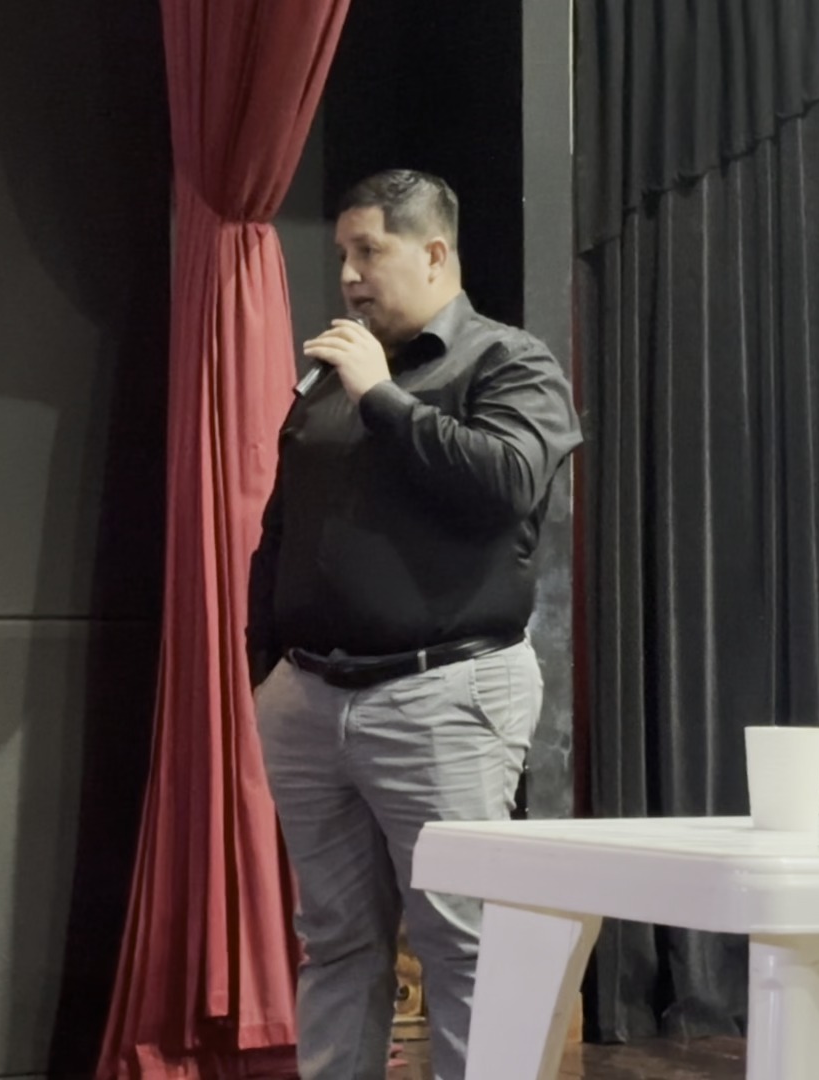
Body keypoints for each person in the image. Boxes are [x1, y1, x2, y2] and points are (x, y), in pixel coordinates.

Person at [246, 169, 581, 1080]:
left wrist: (383, 399)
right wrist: (264, 667)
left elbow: (507, 483)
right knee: (335, 941)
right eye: (342, 255)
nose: (349, 276)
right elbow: (282, 527)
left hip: (443, 695)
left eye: (369, 251)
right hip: (310, 698)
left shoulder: (508, 363)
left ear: (434, 253)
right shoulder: (333, 375)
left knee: (462, 943)